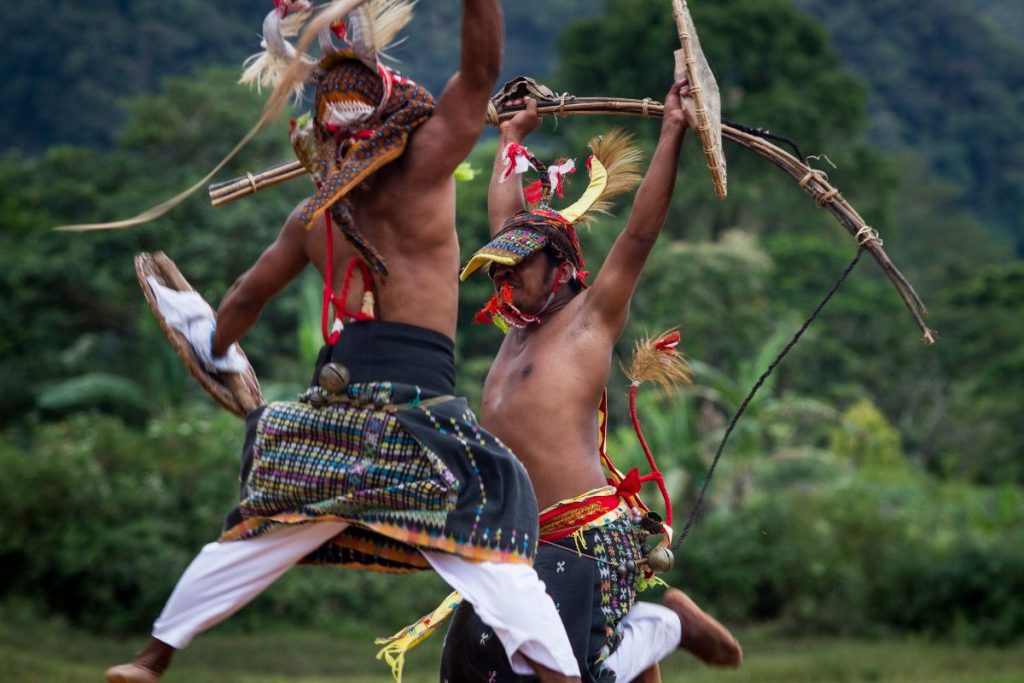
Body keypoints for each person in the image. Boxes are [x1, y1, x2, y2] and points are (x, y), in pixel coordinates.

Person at [105, 1, 582, 681]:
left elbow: (242, 299)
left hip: (330, 412)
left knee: (257, 527)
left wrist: (215, 352)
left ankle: (152, 659)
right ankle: (563, 677)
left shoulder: (312, 214)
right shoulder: (424, 171)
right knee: (492, 533)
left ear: (324, 139)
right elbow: (481, 73)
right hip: (420, 415)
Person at [445, 82, 743, 681]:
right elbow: (505, 222)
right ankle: (657, 634)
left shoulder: (588, 322)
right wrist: (509, 137)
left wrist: (671, 130)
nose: (505, 279)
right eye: (500, 267)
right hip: (515, 547)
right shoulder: (516, 322)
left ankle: (668, 625)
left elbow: (638, 236)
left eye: (519, 265)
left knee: (578, 675)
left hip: (584, 541)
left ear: (560, 267)